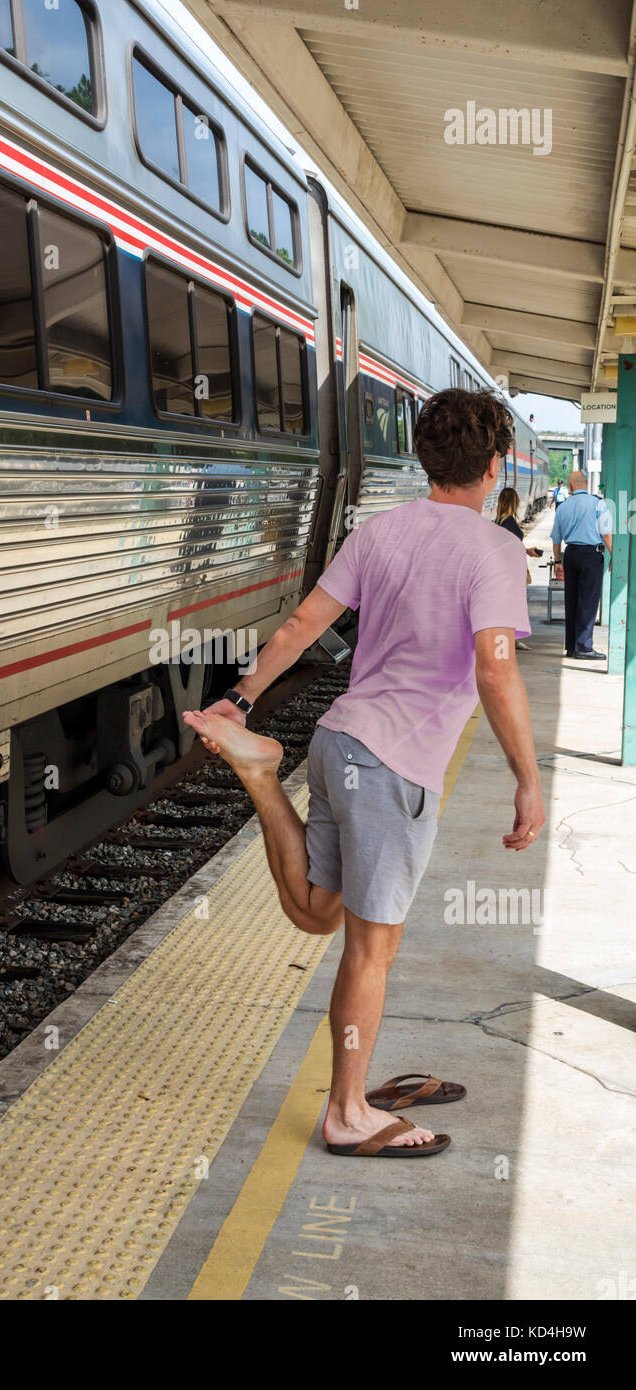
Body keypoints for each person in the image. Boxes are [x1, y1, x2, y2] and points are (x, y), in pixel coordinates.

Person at [183, 389, 545, 1160]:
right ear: (491, 467)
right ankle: (348, 1110)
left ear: (423, 459)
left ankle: (261, 774)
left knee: (319, 913)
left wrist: (242, 698)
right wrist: (527, 776)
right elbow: (495, 664)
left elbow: (301, 624)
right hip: (394, 766)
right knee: (370, 949)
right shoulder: (495, 549)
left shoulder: (380, 531)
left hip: (340, 742)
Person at [551, 471, 613, 660]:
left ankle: (571, 646)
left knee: (572, 600)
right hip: (590, 555)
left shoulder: (563, 506)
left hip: (570, 554)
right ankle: (584, 647)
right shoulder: (597, 503)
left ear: (569, 486)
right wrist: (614, 556)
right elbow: (606, 533)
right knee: (588, 600)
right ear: (586, 483)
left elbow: (556, 538)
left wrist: (558, 561)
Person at [494, 487, 542, 650]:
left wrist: (526, 550)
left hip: (503, 569)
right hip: (511, 571)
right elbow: (510, 548)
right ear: (513, 503)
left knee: (507, 605)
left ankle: (512, 639)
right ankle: (511, 640)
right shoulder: (509, 523)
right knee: (513, 606)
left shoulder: (498, 522)